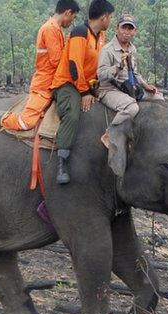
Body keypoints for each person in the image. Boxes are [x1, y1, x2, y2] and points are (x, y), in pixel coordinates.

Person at [0, 0, 80, 134]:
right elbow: (56, 61)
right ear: (67, 12)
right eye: (73, 17)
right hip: (44, 85)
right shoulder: (50, 29)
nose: (72, 21)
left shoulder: (58, 30)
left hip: (54, 82)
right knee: (26, 123)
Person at [50, 0, 115, 184]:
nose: (109, 20)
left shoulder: (101, 35)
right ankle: (62, 161)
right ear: (103, 17)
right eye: (109, 17)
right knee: (72, 113)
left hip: (90, 83)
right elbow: (74, 65)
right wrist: (85, 92)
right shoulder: (80, 32)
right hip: (68, 83)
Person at [96, 14, 159, 146]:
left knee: (159, 98)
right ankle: (109, 134)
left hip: (129, 87)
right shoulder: (108, 50)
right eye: (124, 28)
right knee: (131, 108)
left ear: (135, 32)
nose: (127, 32)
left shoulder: (132, 49)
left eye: (130, 29)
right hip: (109, 89)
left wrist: (145, 85)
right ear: (117, 29)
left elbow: (134, 73)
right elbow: (101, 75)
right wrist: (118, 67)